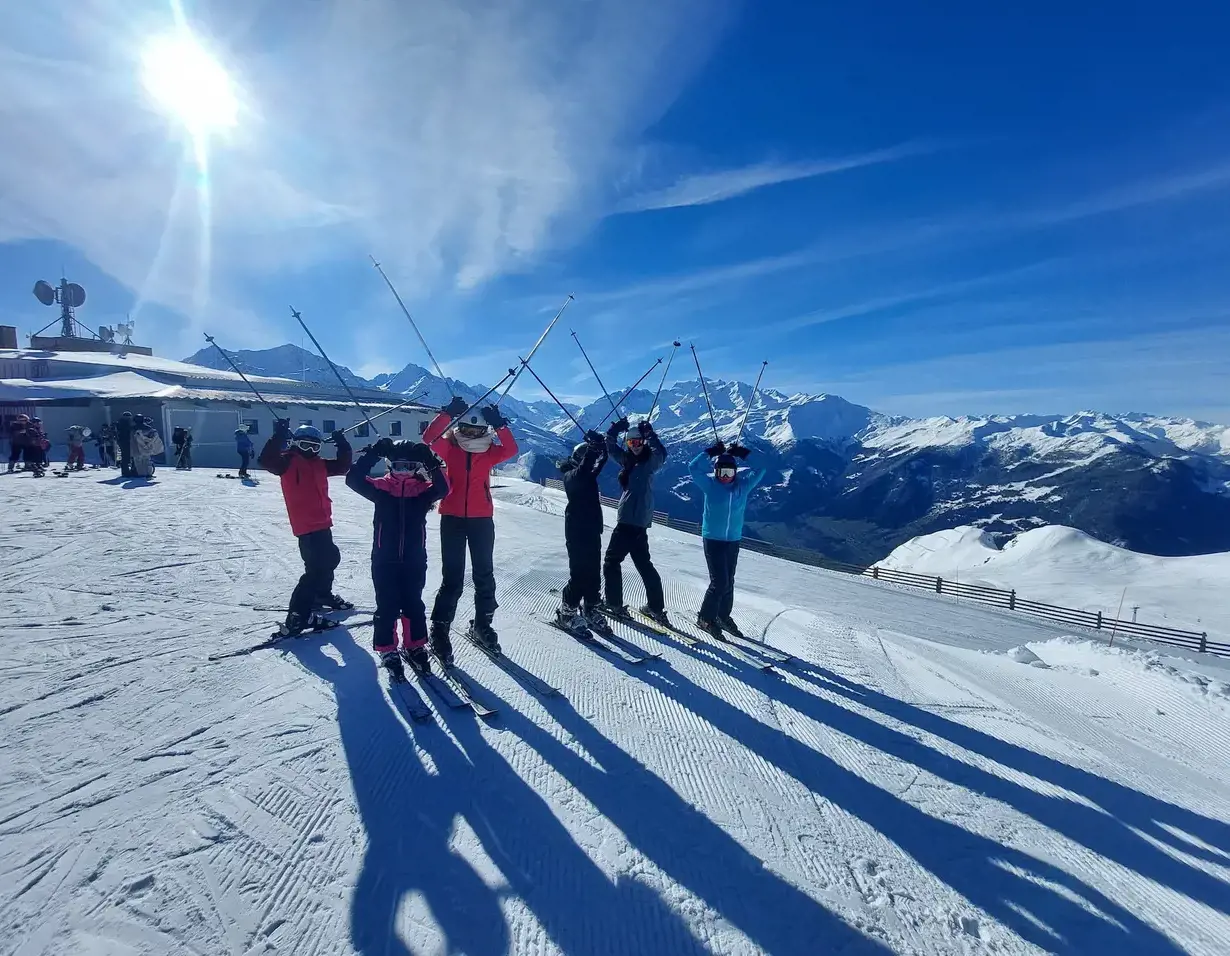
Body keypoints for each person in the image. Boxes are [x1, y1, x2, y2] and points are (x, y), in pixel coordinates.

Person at [424, 398, 519, 658]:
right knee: (452, 578)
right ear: (459, 428)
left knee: (484, 575)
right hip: (453, 518)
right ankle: (440, 629)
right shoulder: (451, 450)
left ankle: (483, 625)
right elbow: (429, 437)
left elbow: (511, 448)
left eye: (477, 431)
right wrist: (446, 413)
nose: (471, 435)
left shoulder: (489, 452)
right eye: (466, 429)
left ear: (484, 431)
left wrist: (500, 425)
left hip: (481, 520)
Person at [346, 438, 448, 680]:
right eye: (399, 466)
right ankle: (387, 648)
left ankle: (415, 644)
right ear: (390, 466)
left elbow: (444, 488)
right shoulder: (381, 489)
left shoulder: (422, 492)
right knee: (387, 605)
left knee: (413, 603)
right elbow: (353, 480)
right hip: (384, 558)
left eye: (410, 466)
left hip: (413, 559)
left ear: (417, 468)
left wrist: (431, 461)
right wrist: (373, 454)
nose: (404, 472)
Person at [259, 422, 353, 636]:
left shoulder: (320, 464)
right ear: (295, 444)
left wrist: (342, 443)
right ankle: (299, 615)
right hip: (305, 526)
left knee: (330, 559)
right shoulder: (287, 462)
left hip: (323, 522)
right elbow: (266, 460)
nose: (310, 451)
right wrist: (279, 436)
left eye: (314, 446)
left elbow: (342, 466)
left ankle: (322, 595)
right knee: (315, 570)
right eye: (304, 445)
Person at [688, 441, 766, 638]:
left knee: (728, 581)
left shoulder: (743, 486)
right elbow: (693, 467)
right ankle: (705, 618)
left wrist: (742, 453)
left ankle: (722, 616)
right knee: (719, 582)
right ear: (715, 472)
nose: (725, 477)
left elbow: (762, 468)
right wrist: (709, 452)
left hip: (732, 540)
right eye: (721, 472)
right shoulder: (709, 485)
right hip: (713, 539)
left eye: (729, 473)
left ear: (735, 473)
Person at [601, 417, 668, 624]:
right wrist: (613, 431)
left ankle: (614, 604)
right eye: (631, 443)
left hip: (630, 521)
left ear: (643, 442)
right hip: (638, 522)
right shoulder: (629, 461)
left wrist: (651, 435)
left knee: (612, 562)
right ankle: (655, 608)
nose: (635, 446)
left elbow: (661, 455)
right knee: (644, 564)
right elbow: (611, 449)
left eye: (638, 442)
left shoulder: (648, 463)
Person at [554, 429, 613, 636]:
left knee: (593, 574)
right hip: (577, 533)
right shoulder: (572, 476)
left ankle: (590, 607)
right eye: (587, 460)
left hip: (591, 531)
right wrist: (593, 450)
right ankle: (567, 612)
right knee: (579, 575)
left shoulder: (586, 475)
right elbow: (588, 464)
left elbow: (600, 461)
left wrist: (607, 439)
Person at [116, 411, 134, 477]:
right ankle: (126, 472)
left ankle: (125, 471)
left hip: (122, 441)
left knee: (125, 456)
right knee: (126, 456)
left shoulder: (120, 422)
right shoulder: (125, 423)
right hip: (125, 441)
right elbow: (128, 430)